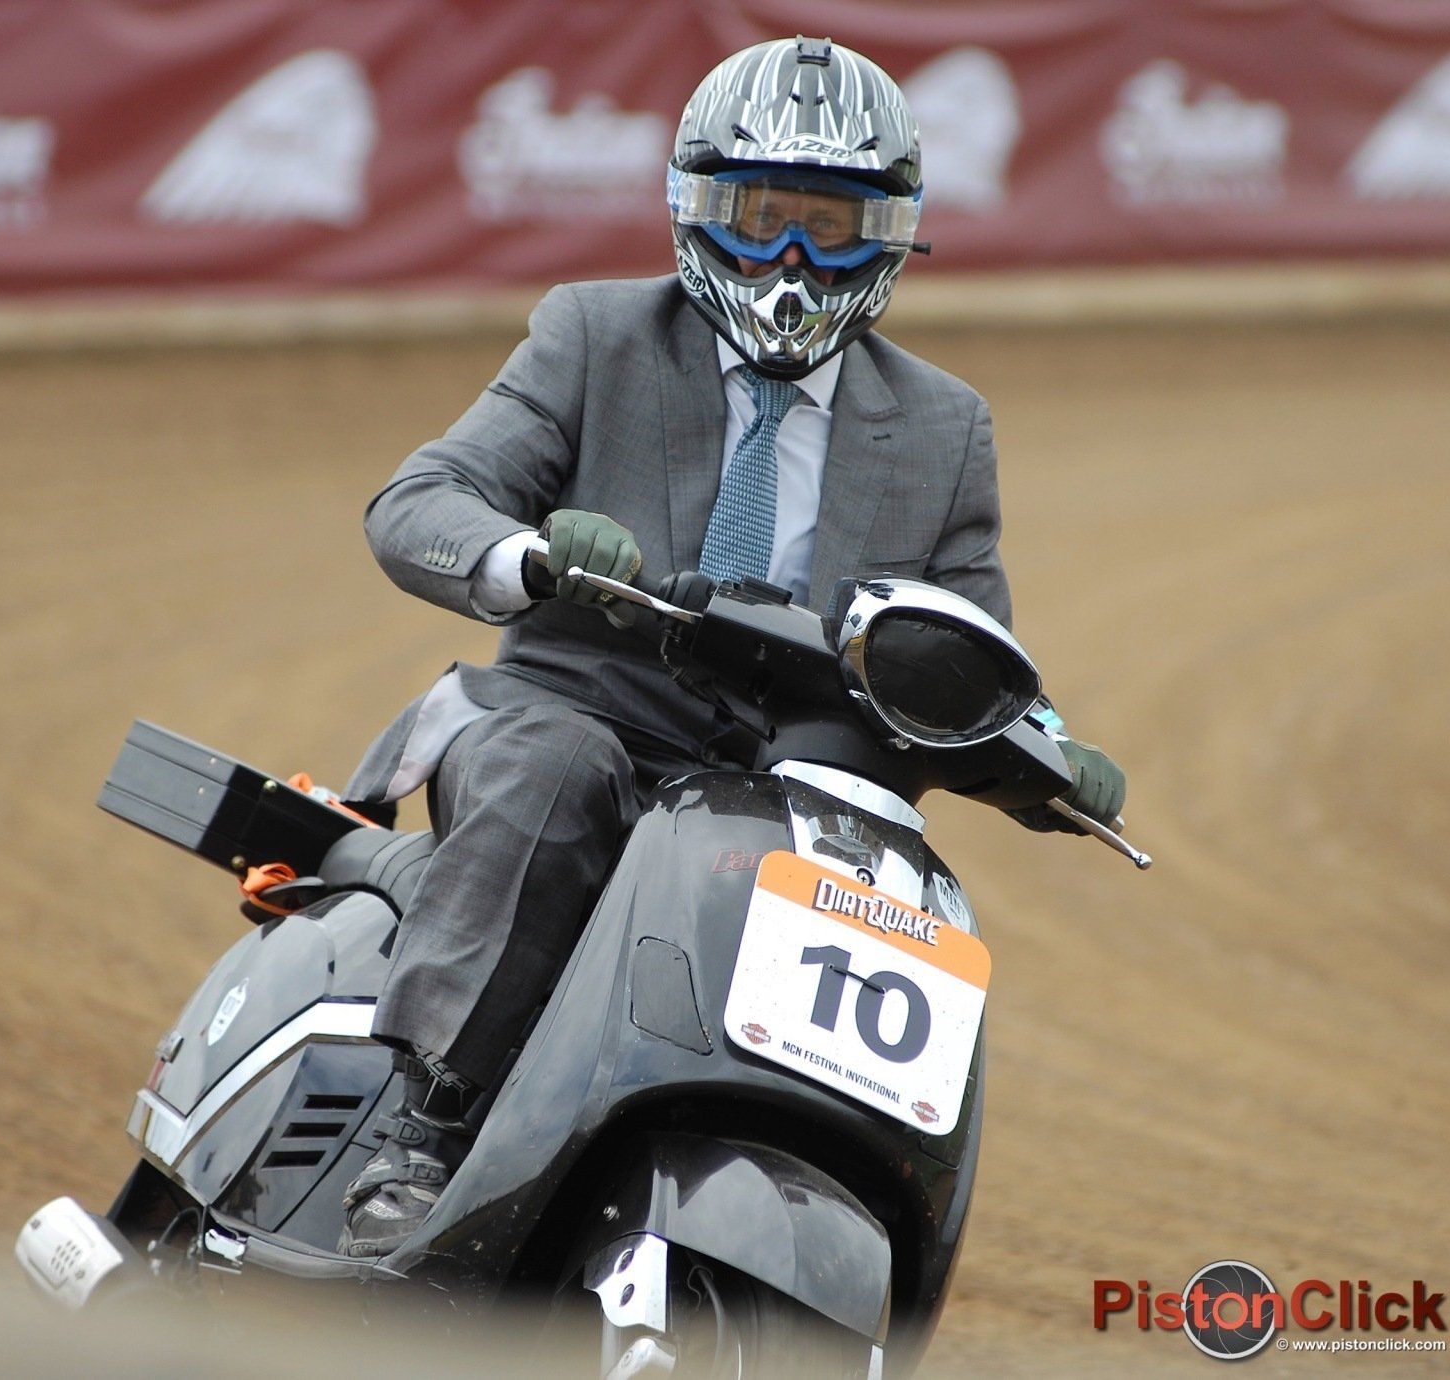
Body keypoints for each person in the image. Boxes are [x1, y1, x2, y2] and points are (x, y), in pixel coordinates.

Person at [334, 36, 1126, 1257]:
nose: (795, 258)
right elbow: (418, 502)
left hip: (788, 794)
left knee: (905, 897)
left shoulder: (943, 427)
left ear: (895, 235)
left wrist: (1050, 749)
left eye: (833, 224)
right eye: (762, 219)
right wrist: (529, 556)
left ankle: (862, 1210)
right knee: (557, 773)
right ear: (697, 213)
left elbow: (967, 650)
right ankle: (421, 1125)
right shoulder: (593, 334)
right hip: (564, 727)